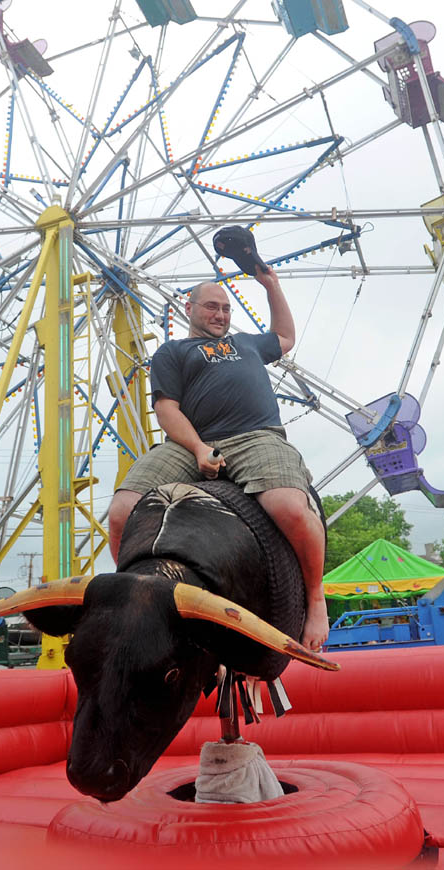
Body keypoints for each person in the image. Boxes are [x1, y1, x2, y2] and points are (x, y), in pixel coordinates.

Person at [107, 269, 329, 652]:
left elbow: (287, 338)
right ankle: (132, 597)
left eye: (226, 308)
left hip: (256, 436)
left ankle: (315, 597)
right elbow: (166, 410)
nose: (221, 314)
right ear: (188, 308)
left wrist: (270, 284)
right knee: (122, 511)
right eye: (212, 306)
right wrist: (197, 448)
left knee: (289, 506)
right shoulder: (172, 352)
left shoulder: (247, 344)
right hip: (191, 442)